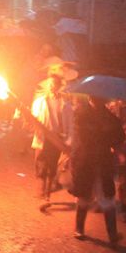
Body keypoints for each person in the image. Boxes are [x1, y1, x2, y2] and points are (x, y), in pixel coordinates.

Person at [70, 95, 124, 246]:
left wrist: (109, 132)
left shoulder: (110, 118)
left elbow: (119, 137)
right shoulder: (82, 115)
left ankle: (111, 235)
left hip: (101, 162)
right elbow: (82, 136)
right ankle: (79, 229)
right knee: (84, 196)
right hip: (87, 161)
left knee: (106, 198)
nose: (94, 101)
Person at [29, 57, 77, 204]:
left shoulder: (65, 104)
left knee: (51, 167)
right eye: (50, 84)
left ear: (58, 86)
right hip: (42, 138)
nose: (51, 86)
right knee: (40, 164)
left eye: (54, 84)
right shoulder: (39, 102)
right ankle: (42, 187)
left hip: (56, 139)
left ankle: (47, 194)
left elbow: (69, 125)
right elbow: (33, 119)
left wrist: (68, 141)